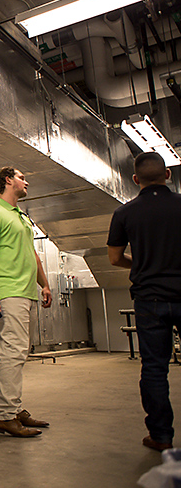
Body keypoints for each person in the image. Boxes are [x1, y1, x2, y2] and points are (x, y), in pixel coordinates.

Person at [107, 152, 181, 452]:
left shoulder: (125, 213)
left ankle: (161, 436)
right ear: (168, 175)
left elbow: (114, 258)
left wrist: (141, 265)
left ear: (135, 180)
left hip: (149, 298)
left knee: (154, 368)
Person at [0, 166, 52, 438]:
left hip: (27, 291)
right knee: (13, 351)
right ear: (8, 181)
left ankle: (14, 408)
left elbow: (33, 254)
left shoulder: (20, 216)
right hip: (9, 291)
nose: (25, 181)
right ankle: (4, 415)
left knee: (20, 352)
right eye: (21, 177)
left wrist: (45, 284)